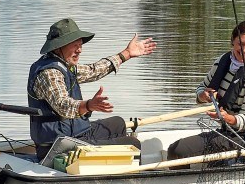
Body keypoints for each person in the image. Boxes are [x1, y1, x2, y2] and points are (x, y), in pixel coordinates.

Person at [27, 18, 157, 159]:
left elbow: (93, 71)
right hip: (58, 146)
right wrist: (88, 105)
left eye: (80, 45)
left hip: (74, 135)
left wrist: (126, 54)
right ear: (59, 47)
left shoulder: (64, 65)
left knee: (118, 123)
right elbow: (62, 105)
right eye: (75, 45)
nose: (80, 50)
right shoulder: (49, 73)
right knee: (132, 143)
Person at [165, 20, 245, 161]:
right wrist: (204, 95)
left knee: (178, 149)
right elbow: (201, 89)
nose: (244, 50)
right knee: (175, 148)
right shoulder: (223, 61)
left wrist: (229, 119)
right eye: (240, 44)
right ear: (233, 41)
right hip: (225, 131)